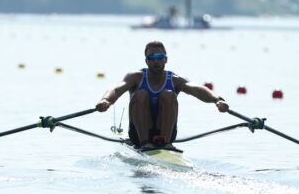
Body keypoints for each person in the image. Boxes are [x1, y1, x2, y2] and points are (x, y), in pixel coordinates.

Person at [96, 41, 229, 150]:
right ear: (146, 61)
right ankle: (145, 143)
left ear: (165, 59)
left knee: (169, 94)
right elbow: (116, 89)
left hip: (166, 132)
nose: (156, 61)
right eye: (151, 58)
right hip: (138, 135)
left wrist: (217, 100)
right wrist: (105, 100)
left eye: (159, 57)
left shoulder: (174, 79)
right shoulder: (135, 77)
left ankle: (165, 144)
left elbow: (197, 89)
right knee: (141, 94)